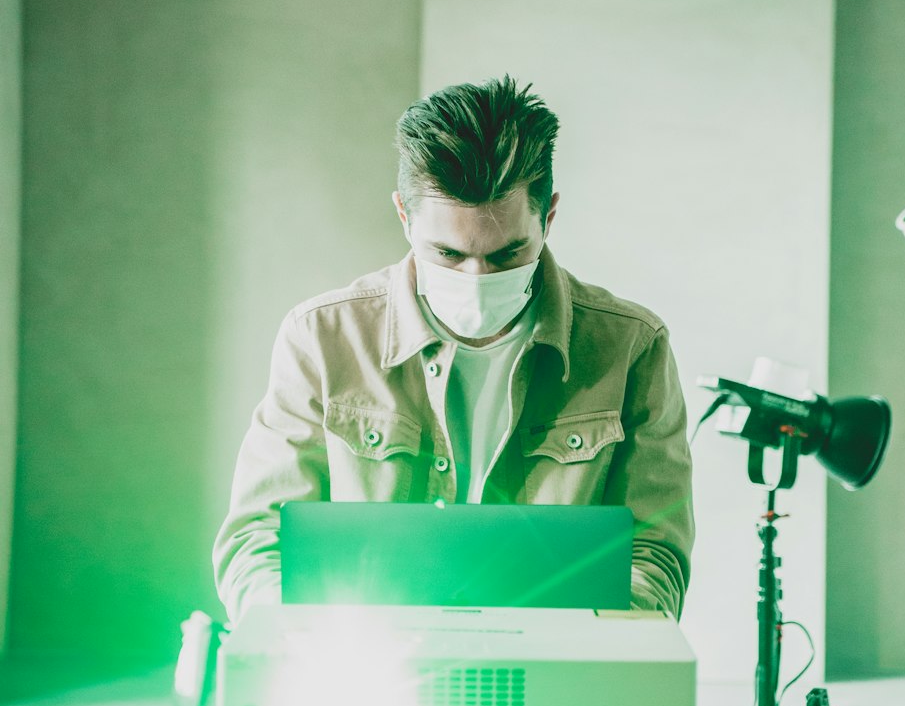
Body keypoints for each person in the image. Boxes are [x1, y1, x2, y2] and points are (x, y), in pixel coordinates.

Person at [214, 75, 694, 625]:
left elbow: (653, 554)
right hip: (366, 665)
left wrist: (587, 649)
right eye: (447, 253)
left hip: (557, 666)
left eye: (509, 253)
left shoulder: (631, 347)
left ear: (549, 217)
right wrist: (300, 638)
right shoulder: (323, 339)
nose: (477, 277)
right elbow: (257, 538)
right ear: (403, 216)